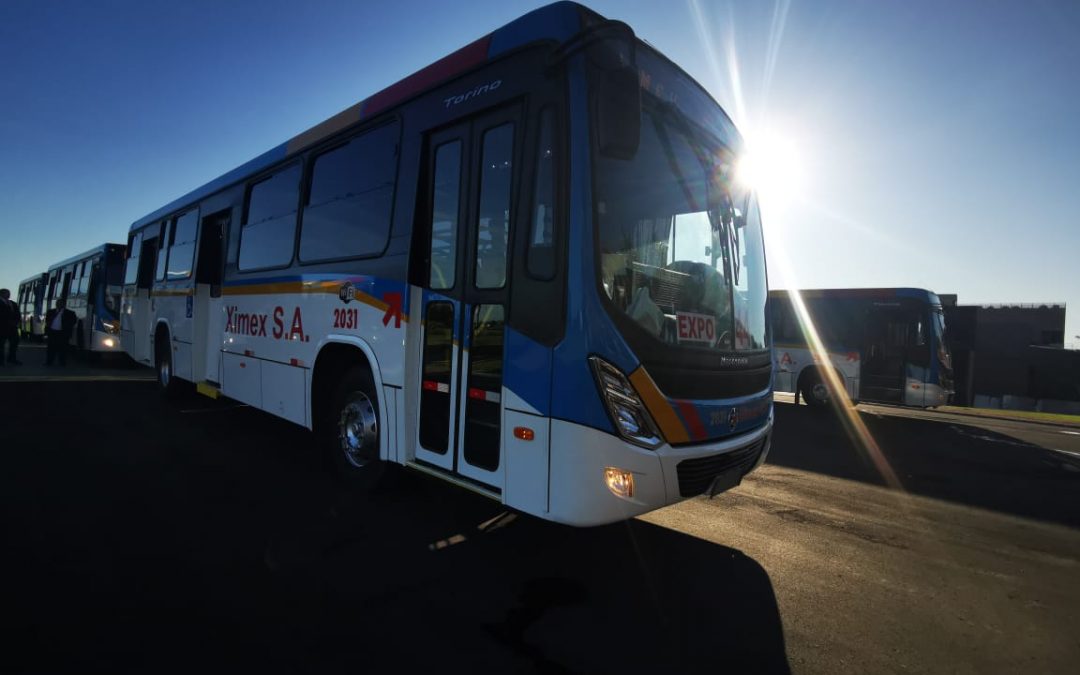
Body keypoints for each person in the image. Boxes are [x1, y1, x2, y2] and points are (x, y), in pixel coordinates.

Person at [45, 298, 77, 366]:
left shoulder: (70, 313)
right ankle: (49, 362)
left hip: (63, 333)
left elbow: (73, 321)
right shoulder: (51, 312)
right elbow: (47, 321)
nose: (58, 305)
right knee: (51, 348)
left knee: (63, 348)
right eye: (57, 303)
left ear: (64, 305)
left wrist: (67, 326)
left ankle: (62, 362)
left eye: (60, 303)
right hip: (52, 332)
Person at [0, 288, 20, 365]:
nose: (9, 295)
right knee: (1, 345)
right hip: (2, 328)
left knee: (14, 343)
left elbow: (17, 314)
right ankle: (1, 360)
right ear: (1, 294)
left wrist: (16, 321)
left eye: (9, 293)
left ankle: (12, 358)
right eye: (7, 293)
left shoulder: (13, 303)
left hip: (12, 327)